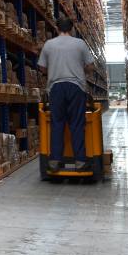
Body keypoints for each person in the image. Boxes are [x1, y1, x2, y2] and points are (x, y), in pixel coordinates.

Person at [37, 17, 94, 172]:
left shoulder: (49, 45)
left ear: (57, 28)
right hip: (76, 87)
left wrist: (54, 69)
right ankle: (80, 162)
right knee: (77, 124)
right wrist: (81, 69)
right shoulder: (80, 44)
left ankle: (55, 161)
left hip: (56, 88)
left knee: (57, 124)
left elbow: (42, 67)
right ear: (72, 29)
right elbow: (90, 66)